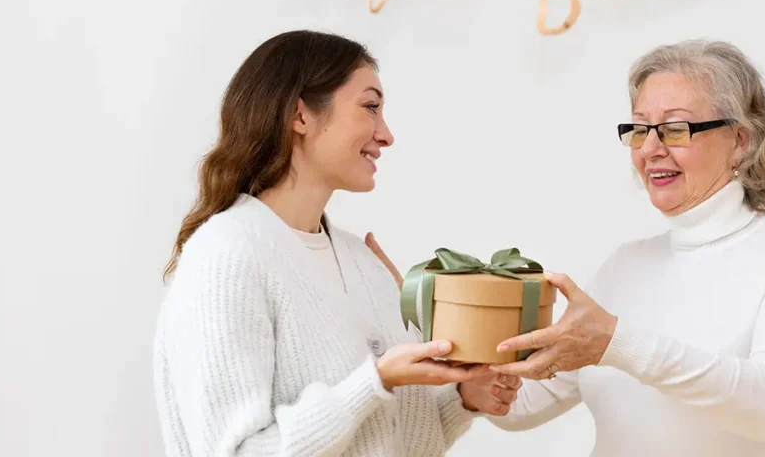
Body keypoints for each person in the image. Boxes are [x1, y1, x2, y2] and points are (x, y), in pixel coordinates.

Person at [373, 40, 765, 456]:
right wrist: (452, 333)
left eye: (675, 129)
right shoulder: (627, 264)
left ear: (740, 139)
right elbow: (526, 402)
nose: (651, 148)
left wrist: (616, 343)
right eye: (639, 129)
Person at [152, 30, 516, 457]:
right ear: (299, 115)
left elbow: (397, 444)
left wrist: (462, 399)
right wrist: (374, 382)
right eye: (370, 107)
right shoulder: (226, 255)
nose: (386, 135)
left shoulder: (363, 263)